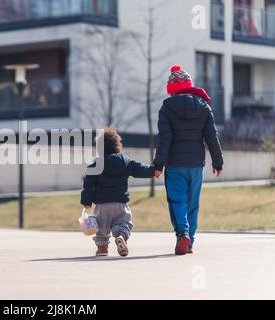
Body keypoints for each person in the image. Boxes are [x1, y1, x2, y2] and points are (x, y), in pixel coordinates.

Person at [153, 65, 224, 255]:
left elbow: (164, 138)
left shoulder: (166, 108)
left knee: (177, 201)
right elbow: (212, 137)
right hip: (196, 165)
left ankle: (182, 232)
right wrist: (217, 162)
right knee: (193, 203)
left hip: (175, 164)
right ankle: (189, 241)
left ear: (171, 90)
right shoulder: (204, 107)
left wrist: (158, 164)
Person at [81, 128, 156, 257]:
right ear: (117, 145)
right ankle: (121, 236)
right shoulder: (125, 161)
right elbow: (140, 169)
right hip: (120, 204)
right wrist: (154, 171)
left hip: (102, 206)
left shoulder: (95, 166)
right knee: (123, 223)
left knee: (102, 229)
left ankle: (102, 248)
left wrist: (86, 202)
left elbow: (88, 186)